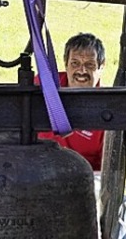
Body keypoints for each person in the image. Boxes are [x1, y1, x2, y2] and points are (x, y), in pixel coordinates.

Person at [37, 32, 106, 170]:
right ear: (66, 63)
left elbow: (108, 170)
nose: (82, 70)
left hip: (83, 182)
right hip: (38, 171)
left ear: (101, 67)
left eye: (90, 65)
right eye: (75, 63)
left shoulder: (108, 110)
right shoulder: (43, 84)